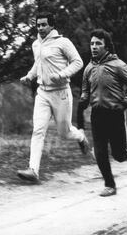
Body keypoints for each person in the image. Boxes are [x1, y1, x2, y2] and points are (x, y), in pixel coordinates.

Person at [17, 12, 92, 183]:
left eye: (44, 24)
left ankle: (80, 136)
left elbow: (77, 62)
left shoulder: (63, 42)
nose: (41, 28)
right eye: (38, 25)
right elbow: (38, 63)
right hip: (43, 93)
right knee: (38, 130)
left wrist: (62, 74)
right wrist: (29, 76)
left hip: (61, 92)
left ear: (51, 26)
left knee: (64, 133)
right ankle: (33, 170)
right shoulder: (36, 44)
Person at [79, 29, 127, 197]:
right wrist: (84, 99)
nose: (94, 46)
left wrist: (125, 103)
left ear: (106, 46)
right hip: (97, 115)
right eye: (92, 43)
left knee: (119, 156)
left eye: (98, 43)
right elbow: (85, 90)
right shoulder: (88, 68)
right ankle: (110, 185)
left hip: (115, 114)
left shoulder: (118, 65)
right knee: (99, 152)